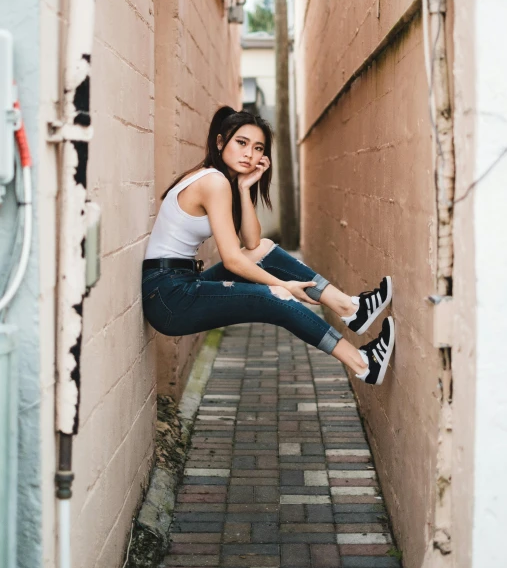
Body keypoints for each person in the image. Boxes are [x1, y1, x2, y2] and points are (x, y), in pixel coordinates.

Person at [142, 106, 395, 385]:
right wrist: (283, 286)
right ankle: (363, 364)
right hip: (169, 296)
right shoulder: (213, 183)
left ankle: (350, 308)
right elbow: (232, 261)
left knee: (262, 249)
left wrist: (244, 188)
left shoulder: (219, 180)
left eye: (258, 148)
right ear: (220, 141)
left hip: (176, 284)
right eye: (241, 143)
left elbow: (251, 243)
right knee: (276, 298)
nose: (250, 154)